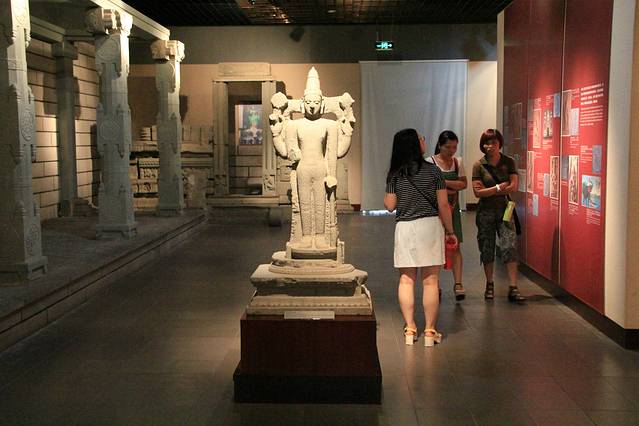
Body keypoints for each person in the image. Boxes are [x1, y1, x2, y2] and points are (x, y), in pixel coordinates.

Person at [384, 129, 458, 347]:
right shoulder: (434, 172)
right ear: (414, 145)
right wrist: (451, 231)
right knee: (431, 281)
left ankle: (410, 329)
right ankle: (430, 332)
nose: (424, 141)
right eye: (420, 138)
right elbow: (443, 204)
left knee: (406, 280)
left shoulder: (396, 174)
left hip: (405, 228)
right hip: (430, 226)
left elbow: (390, 205)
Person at [471, 129, 526, 303]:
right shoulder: (479, 165)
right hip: (485, 212)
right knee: (487, 247)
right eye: (486, 143)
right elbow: (477, 193)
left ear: (500, 144)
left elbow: (513, 186)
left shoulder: (508, 162)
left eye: (493, 143)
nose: (490, 146)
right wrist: (499, 187)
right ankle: (489, 284)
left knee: (509, 246)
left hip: (505, 211)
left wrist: (491, 190)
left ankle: (513, 287)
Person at [426, 130, 467, 301]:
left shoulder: (458, 162)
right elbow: (429, 187)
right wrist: (450, 188)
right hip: (435, 211)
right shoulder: (430, 162)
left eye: (454, 147)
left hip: (453, 209)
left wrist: (443, 183)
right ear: (440, 146)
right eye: (448, 147)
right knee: (435, 246)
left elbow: (463, 184)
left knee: (456, 246)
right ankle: (436, 284)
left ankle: (458, 283)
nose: (451, 151)